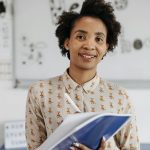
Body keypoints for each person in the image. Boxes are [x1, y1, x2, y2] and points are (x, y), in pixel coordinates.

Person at [25, 0, 140, 149]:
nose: (89, 45)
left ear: (106, 47)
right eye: (80, 37)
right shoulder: (39, 92)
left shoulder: (120, 97)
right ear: (67, 42)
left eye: (98, 39)